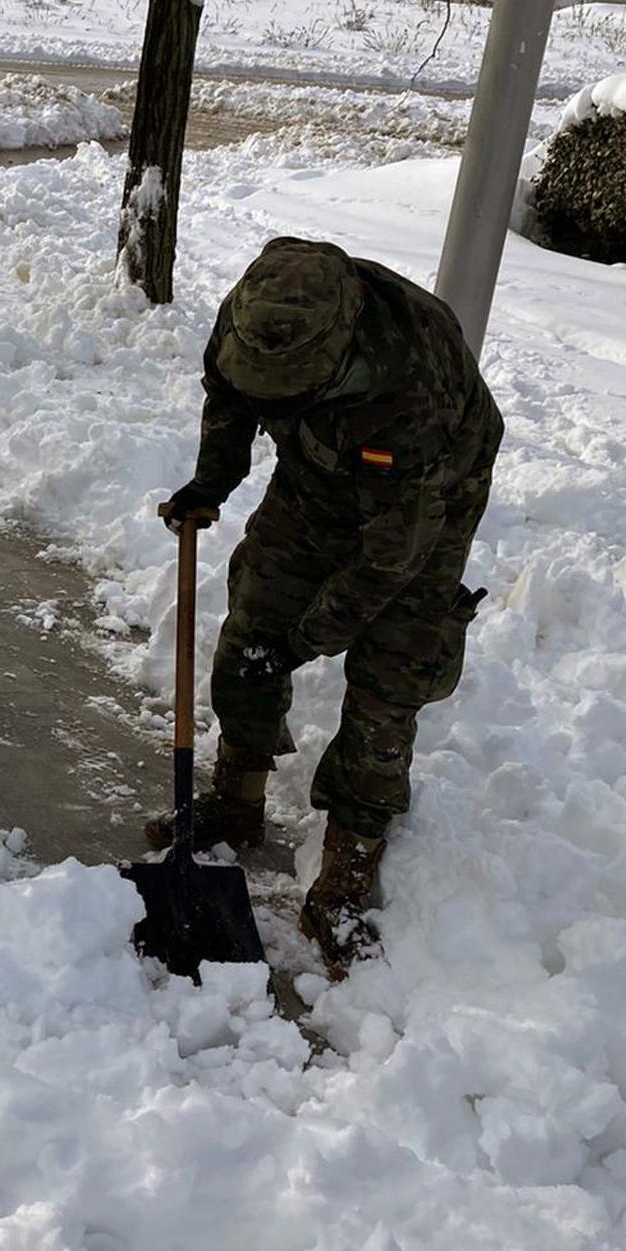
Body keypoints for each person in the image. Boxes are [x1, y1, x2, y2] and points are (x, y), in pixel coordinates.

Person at [152, 234, 503, 973]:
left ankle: (342, 880)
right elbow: (229, 401)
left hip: (426, 495)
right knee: (252, 622)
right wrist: (210, 485)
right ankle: (237, 796)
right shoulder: (252, 320)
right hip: (316, 473)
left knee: (389, 679)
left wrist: (305, 641)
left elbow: (386, 563)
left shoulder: (412, 383)